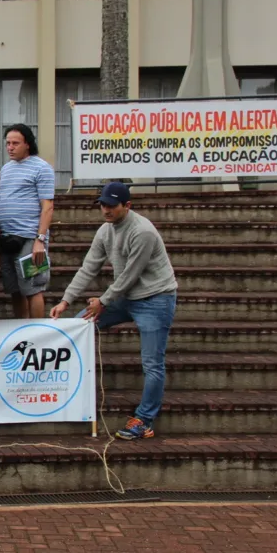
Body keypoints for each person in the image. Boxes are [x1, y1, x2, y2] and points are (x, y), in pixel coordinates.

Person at [50, 182, 178, 441]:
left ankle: (144, 420)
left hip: (156, 299)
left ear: (127, 206)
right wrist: (65, 301)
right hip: (126, 297)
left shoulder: (143, 232)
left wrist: (104, 301)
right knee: (77, 325)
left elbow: (130, 275)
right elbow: (88, 268)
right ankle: (66, 393)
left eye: (111, 205)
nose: (106, 210)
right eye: (103, 204)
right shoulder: (104, 231)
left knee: (152, 363)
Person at [0, 124, 55, 319]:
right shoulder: (6, 169)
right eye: (8, 143)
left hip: (30, 238)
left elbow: (47, 206)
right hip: (7, 237)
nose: (10, 147)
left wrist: (40, 239)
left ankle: (36, 331)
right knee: (14, 289)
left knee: (33, 288)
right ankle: (20, 330)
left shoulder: (42, 168)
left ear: (27, 144)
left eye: (15, 143)